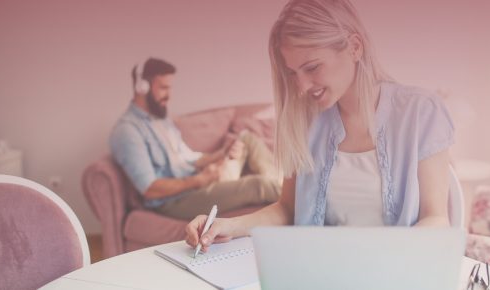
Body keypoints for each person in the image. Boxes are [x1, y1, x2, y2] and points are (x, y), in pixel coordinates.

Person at [186, 0, 455, 250]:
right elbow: (287, 209)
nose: (301, 86)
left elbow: (436, 219)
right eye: (293, 73)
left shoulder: (420, 113)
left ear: (354, 47)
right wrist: (229, 225)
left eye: (312, 67)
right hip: (320, 272)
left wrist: (389, 258)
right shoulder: (304, 121)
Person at [109, 58, 281, 220]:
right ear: (142, 87)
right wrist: (199, 181)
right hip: (176, 200)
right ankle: (293, 199)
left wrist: (223, 153)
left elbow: (190, 158)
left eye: (170, 88)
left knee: (245, 138)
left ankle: (280, 186)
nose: (169, 95)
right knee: (258, 185)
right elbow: (149, 188)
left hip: (198, 182)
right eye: (163, 88)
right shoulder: (127, 131)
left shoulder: (161, 120)